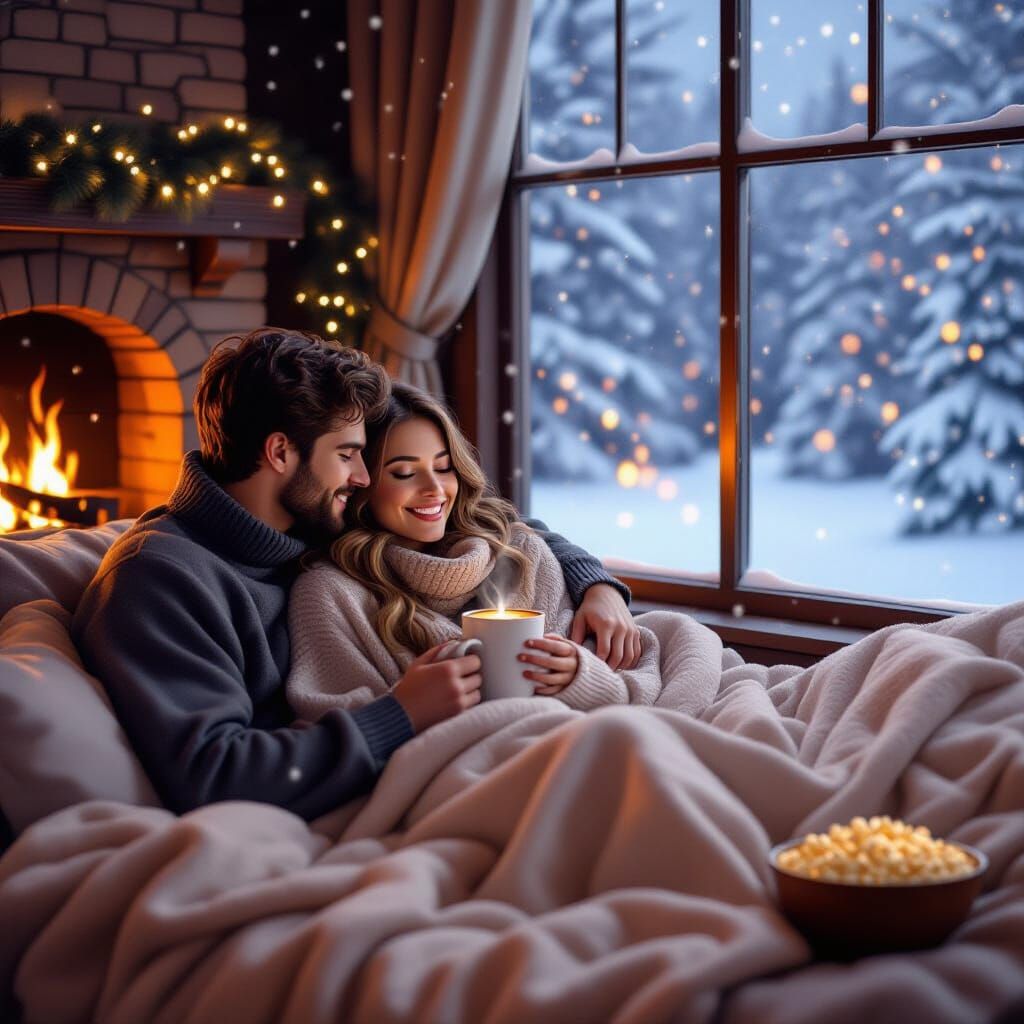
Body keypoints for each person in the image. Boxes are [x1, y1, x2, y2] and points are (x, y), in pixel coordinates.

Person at [72, 328, 638, 822]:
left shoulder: (306, 524)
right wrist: (400, 715)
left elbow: (494, 522)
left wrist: (596, 584)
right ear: (279, 453)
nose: (364, 478)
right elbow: (215, 777)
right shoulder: (159, 578)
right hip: (323, 803)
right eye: (347, 455)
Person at [286, 382, 710, 724]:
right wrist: (411, 701)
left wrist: (576, 673)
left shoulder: (519, 552)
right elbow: (336, 723)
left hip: (572, 738)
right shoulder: (330, 593)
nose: (434, 489)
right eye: (403, 473)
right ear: (361, 483)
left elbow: (611, 687)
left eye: (443, 466)